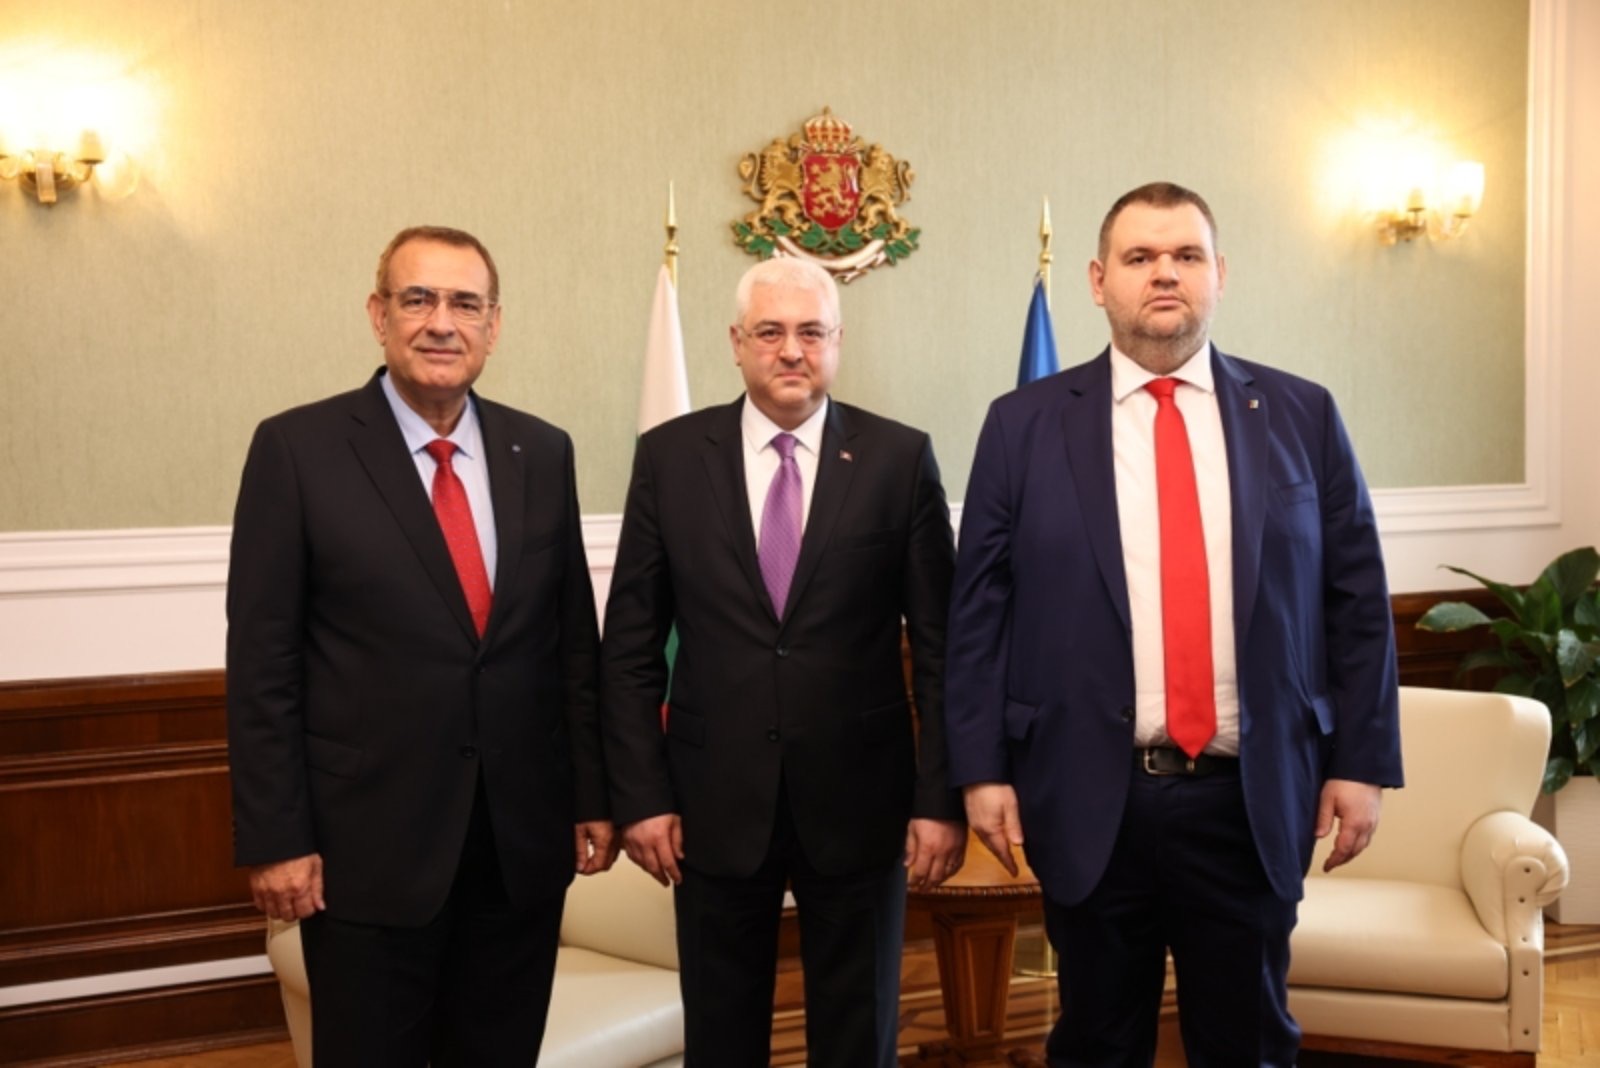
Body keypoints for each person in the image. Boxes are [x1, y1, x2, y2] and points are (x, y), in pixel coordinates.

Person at [945, 182, 1403, 1067]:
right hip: (1087, 794)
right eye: (1140, 257)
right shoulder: (1021, 425)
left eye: (1186, 256)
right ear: (1098, 281)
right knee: (1097, 1044)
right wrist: (981, 772)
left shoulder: (1302, 415)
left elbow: (1357, 600)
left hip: (1250, 796)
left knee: (1249, 1044)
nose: (1165, 273)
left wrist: (1362, 763)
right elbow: (979, 616)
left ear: (1219, 274)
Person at [226, 225, 616, 1066]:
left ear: (493, 325)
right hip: (365, 850)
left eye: (465, 304)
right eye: (419, 299)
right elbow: (263, 666)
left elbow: (570, 646)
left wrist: (591, 793)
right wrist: (276, 837)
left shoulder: (542, 450)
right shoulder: (297, 450)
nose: (443, 322)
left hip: (518, 844)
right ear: (379, 315)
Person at [600, 256, 966, 1067]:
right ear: (736, 343)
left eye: (810, 332)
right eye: (770, 332)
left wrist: (940, 798)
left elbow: (943, 649)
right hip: (711, 806)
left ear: (838, 340)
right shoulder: (670, 458)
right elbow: (629, 649)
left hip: (862, 803)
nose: (791, 350)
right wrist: (642, 797)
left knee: (857, 1037)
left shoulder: (898, 458)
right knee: (721, 1038)